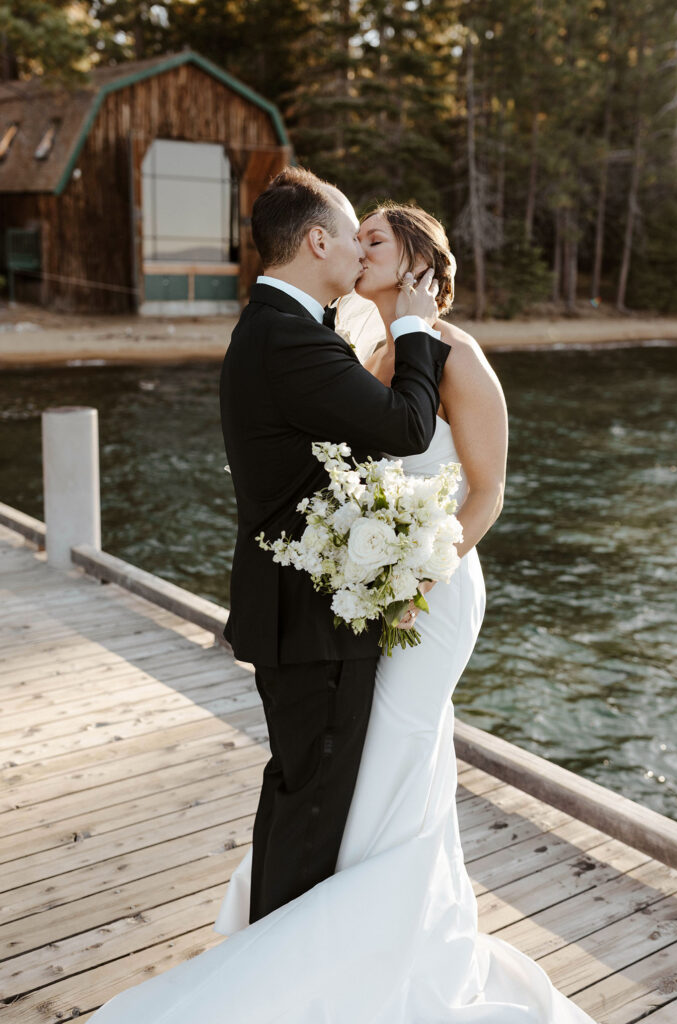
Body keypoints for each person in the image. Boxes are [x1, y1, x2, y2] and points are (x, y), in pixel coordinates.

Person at [88, 194, 597, 1022]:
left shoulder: (454, 356)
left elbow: (489, 488)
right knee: (374, 772)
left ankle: (368, 946)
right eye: (352, 235)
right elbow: (358, 459)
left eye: (375, 240)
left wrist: (427, 565)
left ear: (419, 267)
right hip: (365, 592)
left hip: (427, 589)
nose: (359, 250)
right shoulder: (361, 350)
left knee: (393, 755)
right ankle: (350, 943)